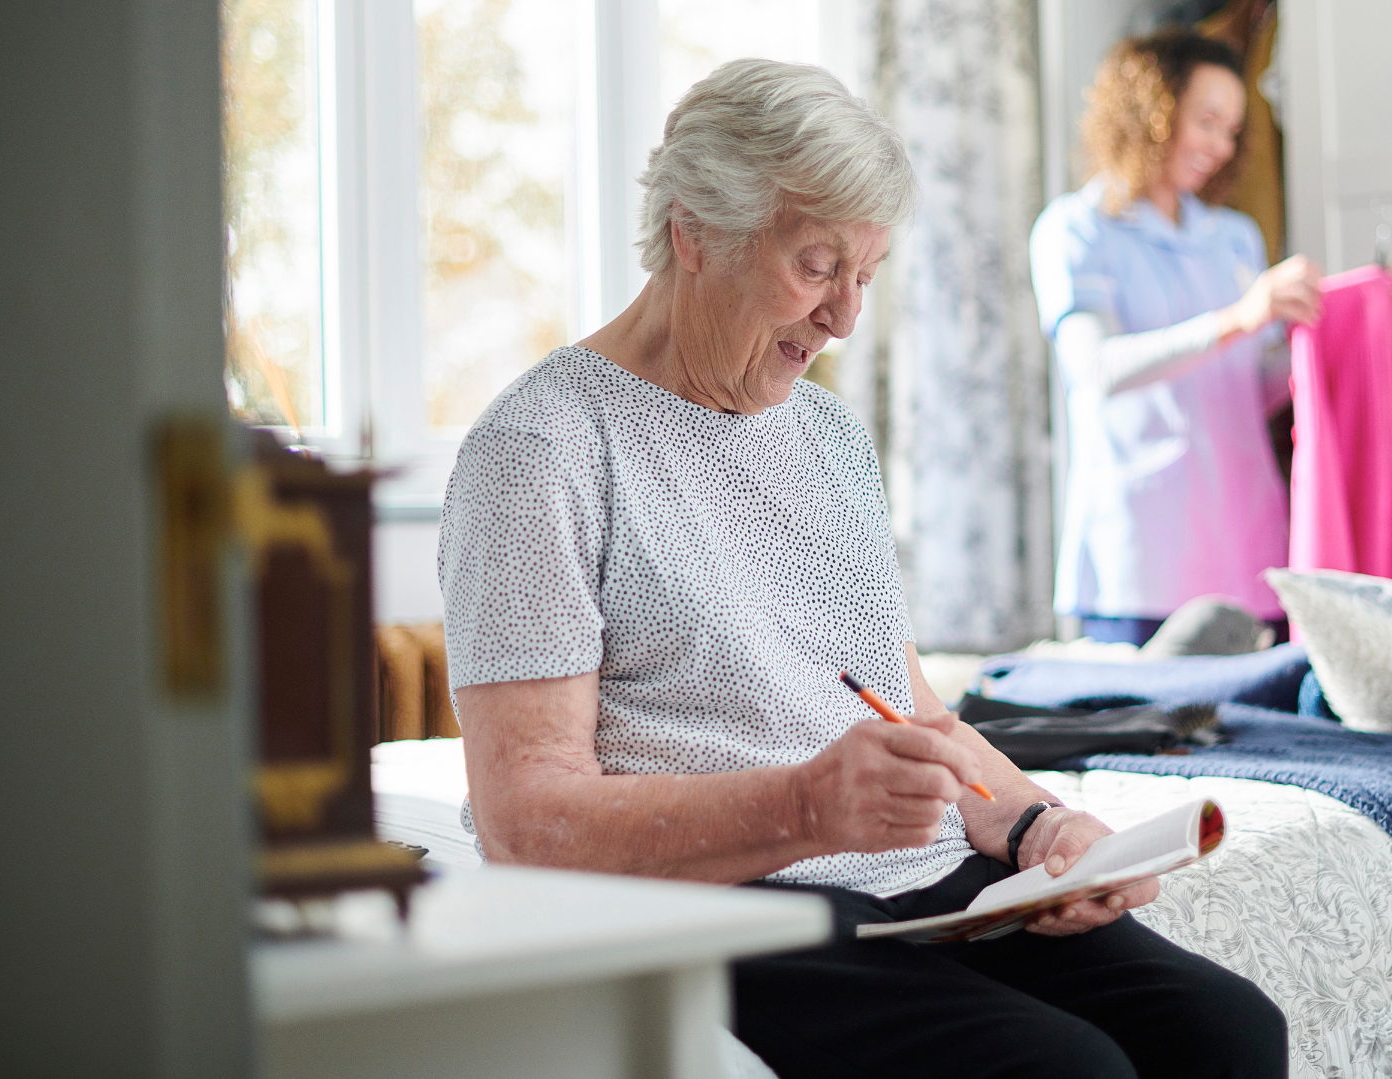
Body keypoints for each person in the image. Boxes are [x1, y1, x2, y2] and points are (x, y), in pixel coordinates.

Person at [440, 58, 1286, 1079]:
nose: (844, 317)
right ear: (693, 232)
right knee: (1065, 1068)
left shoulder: (832, 435)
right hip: (719, 899)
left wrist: (1036, 828)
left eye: (866, 276)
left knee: (1230, 1028)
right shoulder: (540, 448)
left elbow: (907, 704)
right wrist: (802, 805)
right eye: (814, 265)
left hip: (916, 881)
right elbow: (526, 817)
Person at [1031, 30, 1323, 646]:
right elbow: (1097, 369)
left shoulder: (1235, 238)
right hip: (1140, 554)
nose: (1220, 145)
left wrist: (1333, 337)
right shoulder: (1076, 231)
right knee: (1142, 734)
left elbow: (1247, 389)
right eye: (1207, 121)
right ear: (1150, 113)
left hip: (1246, 543)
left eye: (1231, 130)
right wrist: (1239, 319)